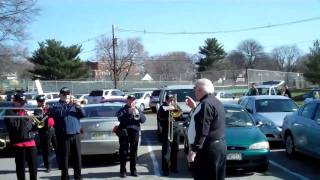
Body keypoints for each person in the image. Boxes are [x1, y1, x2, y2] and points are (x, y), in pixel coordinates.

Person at [186, 78, 227, 180]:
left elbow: (203, 131)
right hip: (218, 147)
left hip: (208, 149)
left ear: (199, 90)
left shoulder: (206, 104)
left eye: (195, 89)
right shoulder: (215, 101)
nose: (194, 91)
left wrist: (194, 151)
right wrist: (194, 108)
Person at [49, 87, 85, 180]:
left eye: (67, 94)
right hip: (63, 135)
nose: (66, 96)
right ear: (60, 95)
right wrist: (70, 105)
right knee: (64, 158)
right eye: (64, 94)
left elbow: (83, 115)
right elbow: (60, 114)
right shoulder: (55, 106)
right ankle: (65, 177)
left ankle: (78, 177)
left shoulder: (74, 105)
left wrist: (78, 106)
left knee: (77, 158)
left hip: (75, 134)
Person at [4, 93, 38, 180]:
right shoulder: (9, 111)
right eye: (21, 102)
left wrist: (34, 122)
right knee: (20, 168)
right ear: (14, 101)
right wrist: (24, 117)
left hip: (31, 142)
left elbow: (32, 127)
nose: (23, 104)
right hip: (19, 144)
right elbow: (14, 126)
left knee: (34, 167)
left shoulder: (26, 110)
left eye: (24, 102)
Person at [116, 95, 146, 178]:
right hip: (124, 131)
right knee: (123, 152)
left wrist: (138, 112)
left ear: (134, 101)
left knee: (134, 151)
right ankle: (123, 171)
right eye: (130, 100)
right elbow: (120, 119)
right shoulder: (123, 110)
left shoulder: (137, 109)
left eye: (133, 100)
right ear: (127, 101)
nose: (131, 102)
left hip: (135, 131)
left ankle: (133, 170)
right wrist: (128, 112)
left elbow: (143, 120)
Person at [157, 94, 180, 176]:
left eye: (172, 100)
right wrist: (167, 116)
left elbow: (179, 116)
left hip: (175, 130)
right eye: (170, 100)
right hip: (167, 130)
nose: (171, 101)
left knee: (175, 150)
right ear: (166, 100)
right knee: (166, 151)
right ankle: (165, 169)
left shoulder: (175, 106)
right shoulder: (162, 107)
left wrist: (175, 109)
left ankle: (174, 167)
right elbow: (159, 117)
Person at [34, 95, 57, 172]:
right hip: (44, 130)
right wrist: (44, 114)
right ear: (38, 102)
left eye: (43, 101)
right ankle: (48, 166)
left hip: (53, 128)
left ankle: (61, 163)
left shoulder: (48, 108)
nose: (43, 103)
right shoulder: (37, 110)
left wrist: (50, 110)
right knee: (46, 149)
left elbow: (55, 114)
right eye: (41, 101)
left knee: (57, 146)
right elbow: (39, 120)